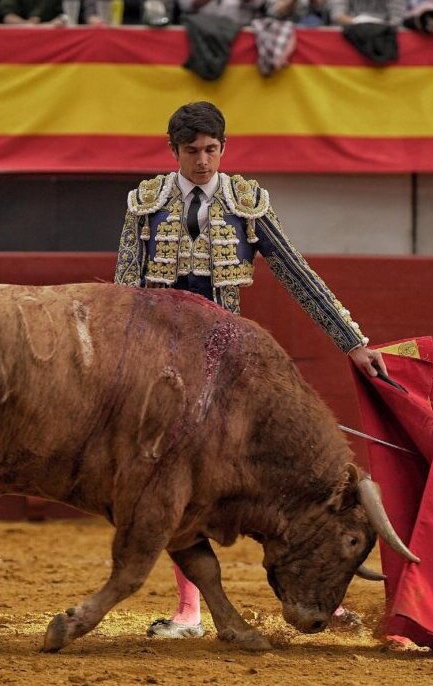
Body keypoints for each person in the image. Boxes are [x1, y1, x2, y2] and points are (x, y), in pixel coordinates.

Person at [114, 101, 386, 639]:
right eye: (192, 151)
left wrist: (352, 341)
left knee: (285, 472)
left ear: (223, 148)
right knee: (174, 482)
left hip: (227, 365)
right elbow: (125, 295)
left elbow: (297, 274)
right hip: (165, 370)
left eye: (211, 149)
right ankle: (189, 611)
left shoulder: (246, 203)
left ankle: (319, 593)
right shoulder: (145, 204)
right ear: (174, 151)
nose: (202, 160)